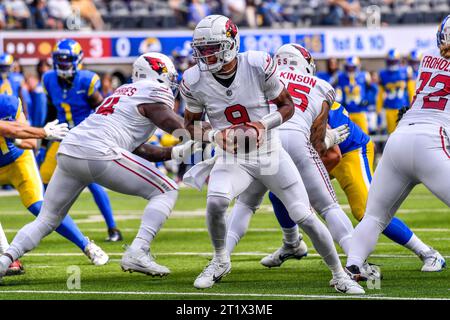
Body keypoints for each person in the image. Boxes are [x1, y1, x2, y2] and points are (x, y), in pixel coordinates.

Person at [181, 15, 363, 294]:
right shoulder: (193, 80)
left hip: (268, 150)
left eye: (211, 48)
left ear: (231, 44)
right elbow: (190, 125)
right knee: (216, 202)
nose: (205, 55)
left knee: (304, 214)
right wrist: (215, 135)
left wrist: (260, 125)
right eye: (201, 49)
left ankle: (340, 275)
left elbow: (287, 106)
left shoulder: (256, 63)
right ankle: (220, 260)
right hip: (233, 157)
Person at [0, 52, 201, 282]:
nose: (172, 82)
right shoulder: (151, 90)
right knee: (167, 189)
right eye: (169, 76)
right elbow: (178, 126)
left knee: (47, 219)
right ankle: (138, 250)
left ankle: (4, 262)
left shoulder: (123, 92)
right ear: (156, 74)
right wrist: (217, 134)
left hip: (70, 149)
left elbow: (138, 148)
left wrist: (174, 152)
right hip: (97, 151)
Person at [345, 15, 450, 279]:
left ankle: (353, 268)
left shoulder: (427, 59)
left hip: (399, 138)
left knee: (374, 217)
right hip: (432, 141)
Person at [0, 94, 109, 273]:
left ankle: (87, 245)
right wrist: (43, 132)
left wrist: (21, 140)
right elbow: (8, 129)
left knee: (40, 208)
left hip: (17, 163)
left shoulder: (9, 103)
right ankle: (7, 256)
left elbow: (29, 141)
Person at [40, 39, 122, 242]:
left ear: (78, 60)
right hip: (60, 136)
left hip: (84, 137)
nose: (64, 64)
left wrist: (102, 134)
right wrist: (43, 140)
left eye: (68, 60)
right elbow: (51, 110)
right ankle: (49, 224)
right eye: (60, 60)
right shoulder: (49, 79)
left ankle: (113, 228)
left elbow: (103, 109)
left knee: (91, 182)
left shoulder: (87, 80)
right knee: (41, 182)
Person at [377, 49, 414, 134]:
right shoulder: (383, 74)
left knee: (405, 133)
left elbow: (411, 91)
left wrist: (413, 107)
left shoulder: (405, 71)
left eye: (394, 61)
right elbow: (379, 95)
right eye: (390, 62)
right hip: (389, 109)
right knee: (391, 134)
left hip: (403, 108)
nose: (392, 64)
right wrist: (378, 111)